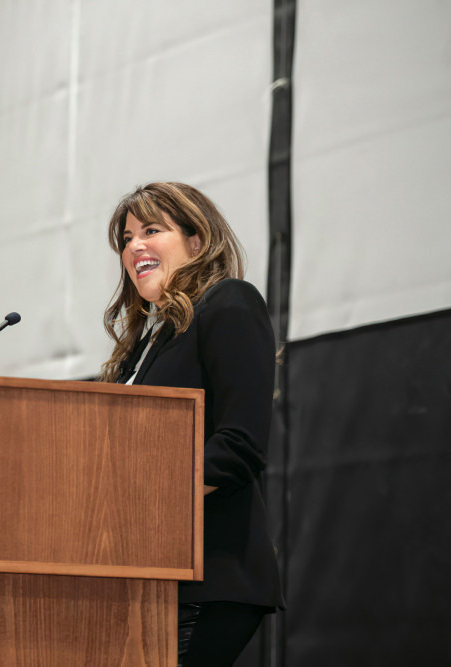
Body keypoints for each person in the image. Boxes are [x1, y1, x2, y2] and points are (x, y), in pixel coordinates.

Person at [99, 183, 284, 666]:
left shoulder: (230, 304)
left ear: (197, 241)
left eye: (151, 231)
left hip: (207, 574)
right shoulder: (142, 348)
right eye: (125, 237)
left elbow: (239, 447)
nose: (133, 246)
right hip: (145, 576)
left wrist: (142, 494)